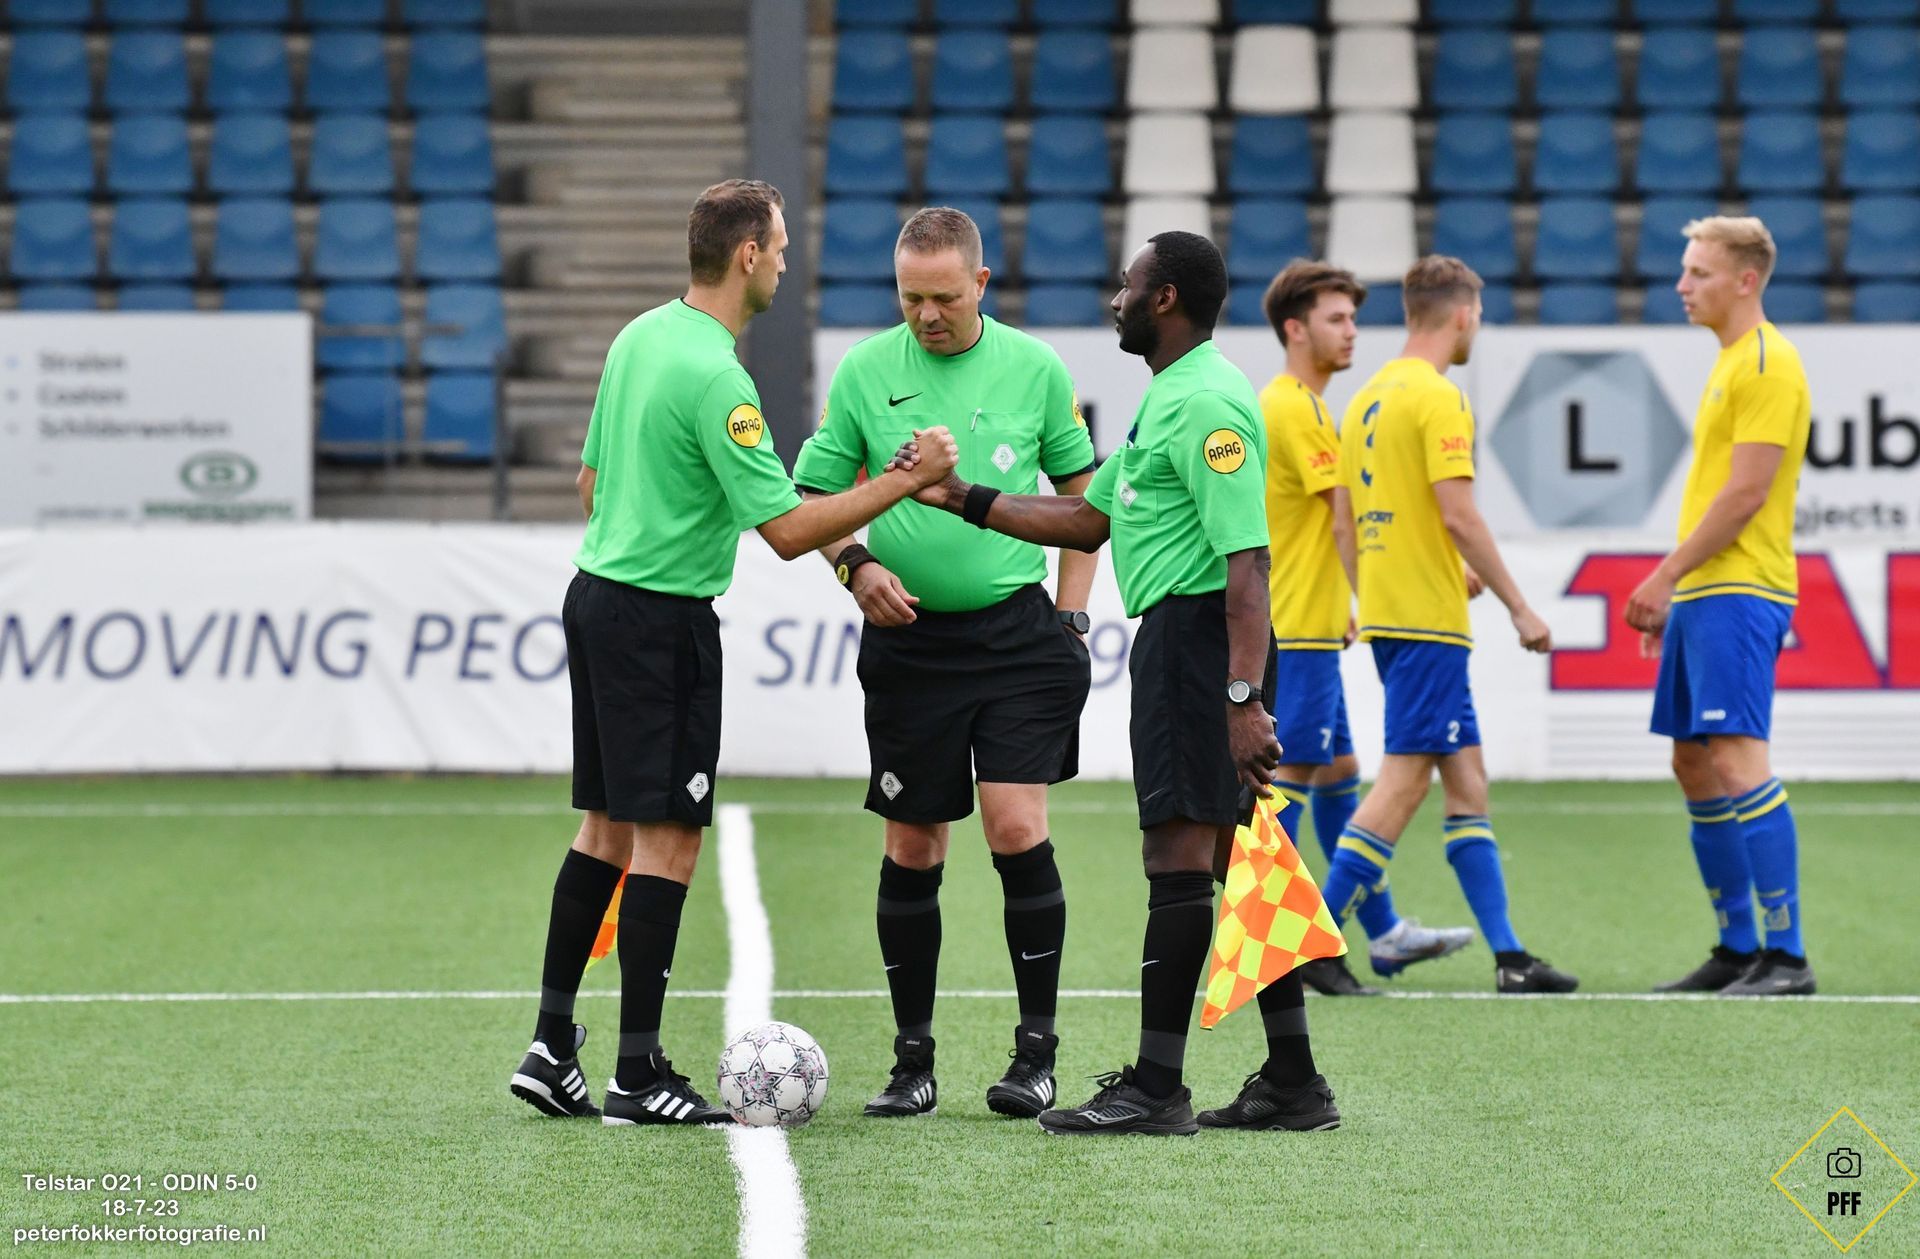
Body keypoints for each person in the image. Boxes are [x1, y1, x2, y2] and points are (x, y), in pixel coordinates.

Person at [507, 179, 959, 1126]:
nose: (786, 263)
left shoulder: (640, 337)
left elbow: (590, 482)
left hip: (597, 598)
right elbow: (788, 531)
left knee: (603, 828)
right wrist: (905, 480)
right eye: (781, 248)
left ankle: (552, 1046)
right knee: (668, 836)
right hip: (658, 620)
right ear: (748, 254)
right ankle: (637, 1071)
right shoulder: (720, 379)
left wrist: (658, 514)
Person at [893, 231, 1340, 1136]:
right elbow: (1086, 520)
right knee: (1241, 858)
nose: (1115, 297)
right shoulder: (1171, 394)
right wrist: (960, 497)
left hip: (1200, 642)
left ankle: (1157, 1086)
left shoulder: (1207, 401)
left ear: (1164, 298)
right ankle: (1294, 1081)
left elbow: (1248, 562)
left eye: (1128, 284)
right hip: (1191, 640)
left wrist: (1242, 699)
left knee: (1176, 858)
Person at [792, 206, 1098, 1119]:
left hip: (1016, 639)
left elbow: (1083, 499)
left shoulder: (1036, 367)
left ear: (981, 284)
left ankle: (1035, 1055)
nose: (926, 314)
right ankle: (912, 1061)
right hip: (909, 645)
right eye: (910, 297)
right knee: (913, 843)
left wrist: (1072, 615)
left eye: (943, 297)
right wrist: (856, 566)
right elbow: (812, 493)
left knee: (1015, 825)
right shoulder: (864, 370)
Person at [1322, 256, 1578, 996]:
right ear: (1463, 314)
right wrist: (1519, 606)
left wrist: (1379, 591)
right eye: (1480, 315)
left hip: (1394, 615)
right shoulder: (1439, 397)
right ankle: (1312, 945)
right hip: (1428, 624)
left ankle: (1511, 957)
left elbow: (1344, 524)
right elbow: (1459, 513)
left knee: (1467, 780)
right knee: (1403, 783)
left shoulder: (1365, 399)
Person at [1255, 260, 1474, 997]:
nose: (1352, 332)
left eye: (1353, 318)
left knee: (1339, 773)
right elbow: (1348, 518)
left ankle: (1381, 929)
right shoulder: (1298, 411)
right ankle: (1279, 947)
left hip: (1311, 621)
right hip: (1299, 630)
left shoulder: (1299, 405)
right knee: (1286, 785)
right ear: (1295, 329)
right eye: (1336, 319)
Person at [1626, 216, 1814, 997]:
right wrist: (1683, 590)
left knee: (1737, 759)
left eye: (1698, 272)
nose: (1682, 285)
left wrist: (1666, 576)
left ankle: (1787, 956)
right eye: (1684, 270)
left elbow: (1745, 494)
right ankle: (1738, 947)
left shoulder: (1768, 362)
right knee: (1693, 760)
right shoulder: (1732, 361)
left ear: (1746, 279)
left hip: (1740, 587)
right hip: (1710, 591)